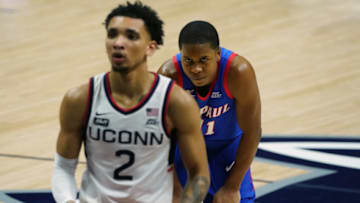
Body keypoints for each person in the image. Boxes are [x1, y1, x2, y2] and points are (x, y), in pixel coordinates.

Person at [51, 2, 210, 203]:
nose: (118, 43)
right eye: (112, 34)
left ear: (150, 48)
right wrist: (67, 201)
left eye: (131, 36)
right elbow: (63, 167)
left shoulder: (176, 102)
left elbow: (199, 174)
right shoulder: (80, 99)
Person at [158, 20, 262, 203]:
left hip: (227, 148)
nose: (196, 69)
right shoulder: (169, 75)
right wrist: (173, 187)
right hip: (187, 152)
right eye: (188, 61)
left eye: (203, 60)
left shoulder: (238, 72)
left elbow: (252, 131)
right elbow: (162, 137)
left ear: (217, 54)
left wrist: (232, 186)